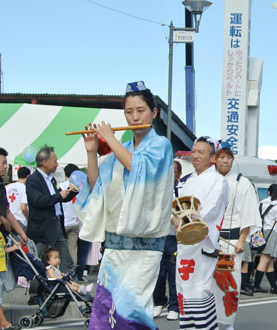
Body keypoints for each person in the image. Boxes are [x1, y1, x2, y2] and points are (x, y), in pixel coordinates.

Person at [77, 81, 174, 329]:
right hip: (115, 245)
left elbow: (139, 168)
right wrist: (91, 151)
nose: (134, 117)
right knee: (105, 309)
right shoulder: (122, 149)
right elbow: (99, 187)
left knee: (132, 310)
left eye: (140, 110)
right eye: (129, 112)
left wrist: (110, 140)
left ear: (154, 113)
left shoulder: (161, 146)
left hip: (144, 247)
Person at [174, 137, 230, 329]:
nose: (195, 155)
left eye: (201, 152)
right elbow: (177, 208)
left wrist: (185, 222)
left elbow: (210, 212)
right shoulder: (188, 181)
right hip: (184, 245)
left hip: (203, 244)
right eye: (193, 151)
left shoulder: (219, 182)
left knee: (199, 292)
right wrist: (176, 220)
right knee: (184, 292)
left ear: (212, 157)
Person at [213, 142, 259, 329]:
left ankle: (228, 322)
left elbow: (248, 212)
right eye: (221, 157)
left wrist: (242, 239)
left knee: (229, 281)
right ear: (214, 159)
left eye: (229, 157)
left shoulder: (241, 181)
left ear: (233, 160)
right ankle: (210, 320)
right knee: (209, 284)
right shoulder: (207, 179)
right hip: (208, 240)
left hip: (231, 241)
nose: (225, 161)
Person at [26, 146, 77, 273]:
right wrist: (59, 195)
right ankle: (36, 290)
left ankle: (67, 287)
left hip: (56, 225)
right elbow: (38, 201)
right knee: (39, 262)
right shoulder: (33, 180)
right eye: (54, 160)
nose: (57, 164)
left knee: (65, 258)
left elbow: (58, 199)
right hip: (42, 229)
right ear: (44, 162)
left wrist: (72, 191)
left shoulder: (51, 179)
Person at [153, 161, 182, 320]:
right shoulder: (158, 188)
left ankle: (174, 306)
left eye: (174, 172)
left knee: (173, 273)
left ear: (179, 175)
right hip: (158, 235)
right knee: (158, 272)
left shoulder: (183, 190)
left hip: (175, 237)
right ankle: (158, 302)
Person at [253, 185, 277, 296]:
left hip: (261, 232)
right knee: (265, 259)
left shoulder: (261, 203)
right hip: (272, 233)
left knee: (270, 262)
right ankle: (256, 286)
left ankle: (274, 287)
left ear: (268, 192)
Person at [58, 164, 81, 268]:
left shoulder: (61, 186)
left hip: (63, 222)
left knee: (61, 250)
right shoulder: (79, 187)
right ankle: (73, 272)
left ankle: (63, 271)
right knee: (73, 249)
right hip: (75, 222)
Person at [5, 166, 30, 232]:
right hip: (21, 221)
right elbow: (24, 207)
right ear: (28, 176)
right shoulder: (25, 189)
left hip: (8, 220)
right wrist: (30, 219)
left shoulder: (7, 187)